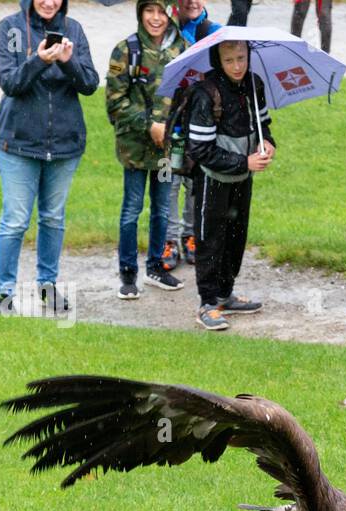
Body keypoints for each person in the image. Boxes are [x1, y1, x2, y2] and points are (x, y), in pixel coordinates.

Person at [0, 0, 98, 314]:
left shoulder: (73, 29)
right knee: (15, 221)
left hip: (64, 144)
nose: (49, 2)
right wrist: (37, 60)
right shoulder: (9, 28)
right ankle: (3, 294)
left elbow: (90, 83)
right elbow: (10, 83)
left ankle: (47, 287)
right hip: (19, 143)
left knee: (53, 218)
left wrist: (68, 62)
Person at [186, 38, 276, 330]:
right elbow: (200, 150)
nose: (237, 66)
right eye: (229, 60)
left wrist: (267, 144)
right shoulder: (205, 93)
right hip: (212, 180)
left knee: (236, 237)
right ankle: (208, 302)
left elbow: (264, 125)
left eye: (241, 57)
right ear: (217, 61)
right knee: (210, 238)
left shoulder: (254, 85)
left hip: (242, 179)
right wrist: (244, 163)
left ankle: (225, 294)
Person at [162, 0, 253, 271]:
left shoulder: (213, 31)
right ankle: (168, 239)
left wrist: (241, 10)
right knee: (167, 182)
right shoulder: (163, 29)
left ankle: (190, 235)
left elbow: (235, 49)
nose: (191, 2)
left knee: (194, 185)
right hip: (169, 124)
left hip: (200, 123)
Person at [107, 1, 187, 299]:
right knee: (132, 209)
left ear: (170, 14)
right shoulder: (125, 50)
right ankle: (128, 273)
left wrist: (172, 128)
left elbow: (189, 95)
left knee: (163, 208)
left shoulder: (184, 49)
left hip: (168, 150)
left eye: (161, 12)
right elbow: (115, 102)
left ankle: (156, 266)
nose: (155, 18)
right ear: (140, 13)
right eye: (149, 11)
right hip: (135, 149)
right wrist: (150, 124)